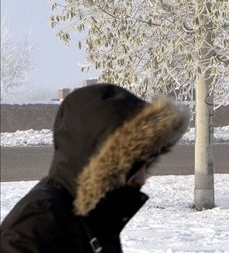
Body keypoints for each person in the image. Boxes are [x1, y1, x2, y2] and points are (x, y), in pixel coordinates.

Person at [0, 83, 189, 252]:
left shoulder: (93, 213)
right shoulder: (35, 228)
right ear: (95, 158)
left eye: (149, 162)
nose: (142, 177)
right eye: (135, 163)